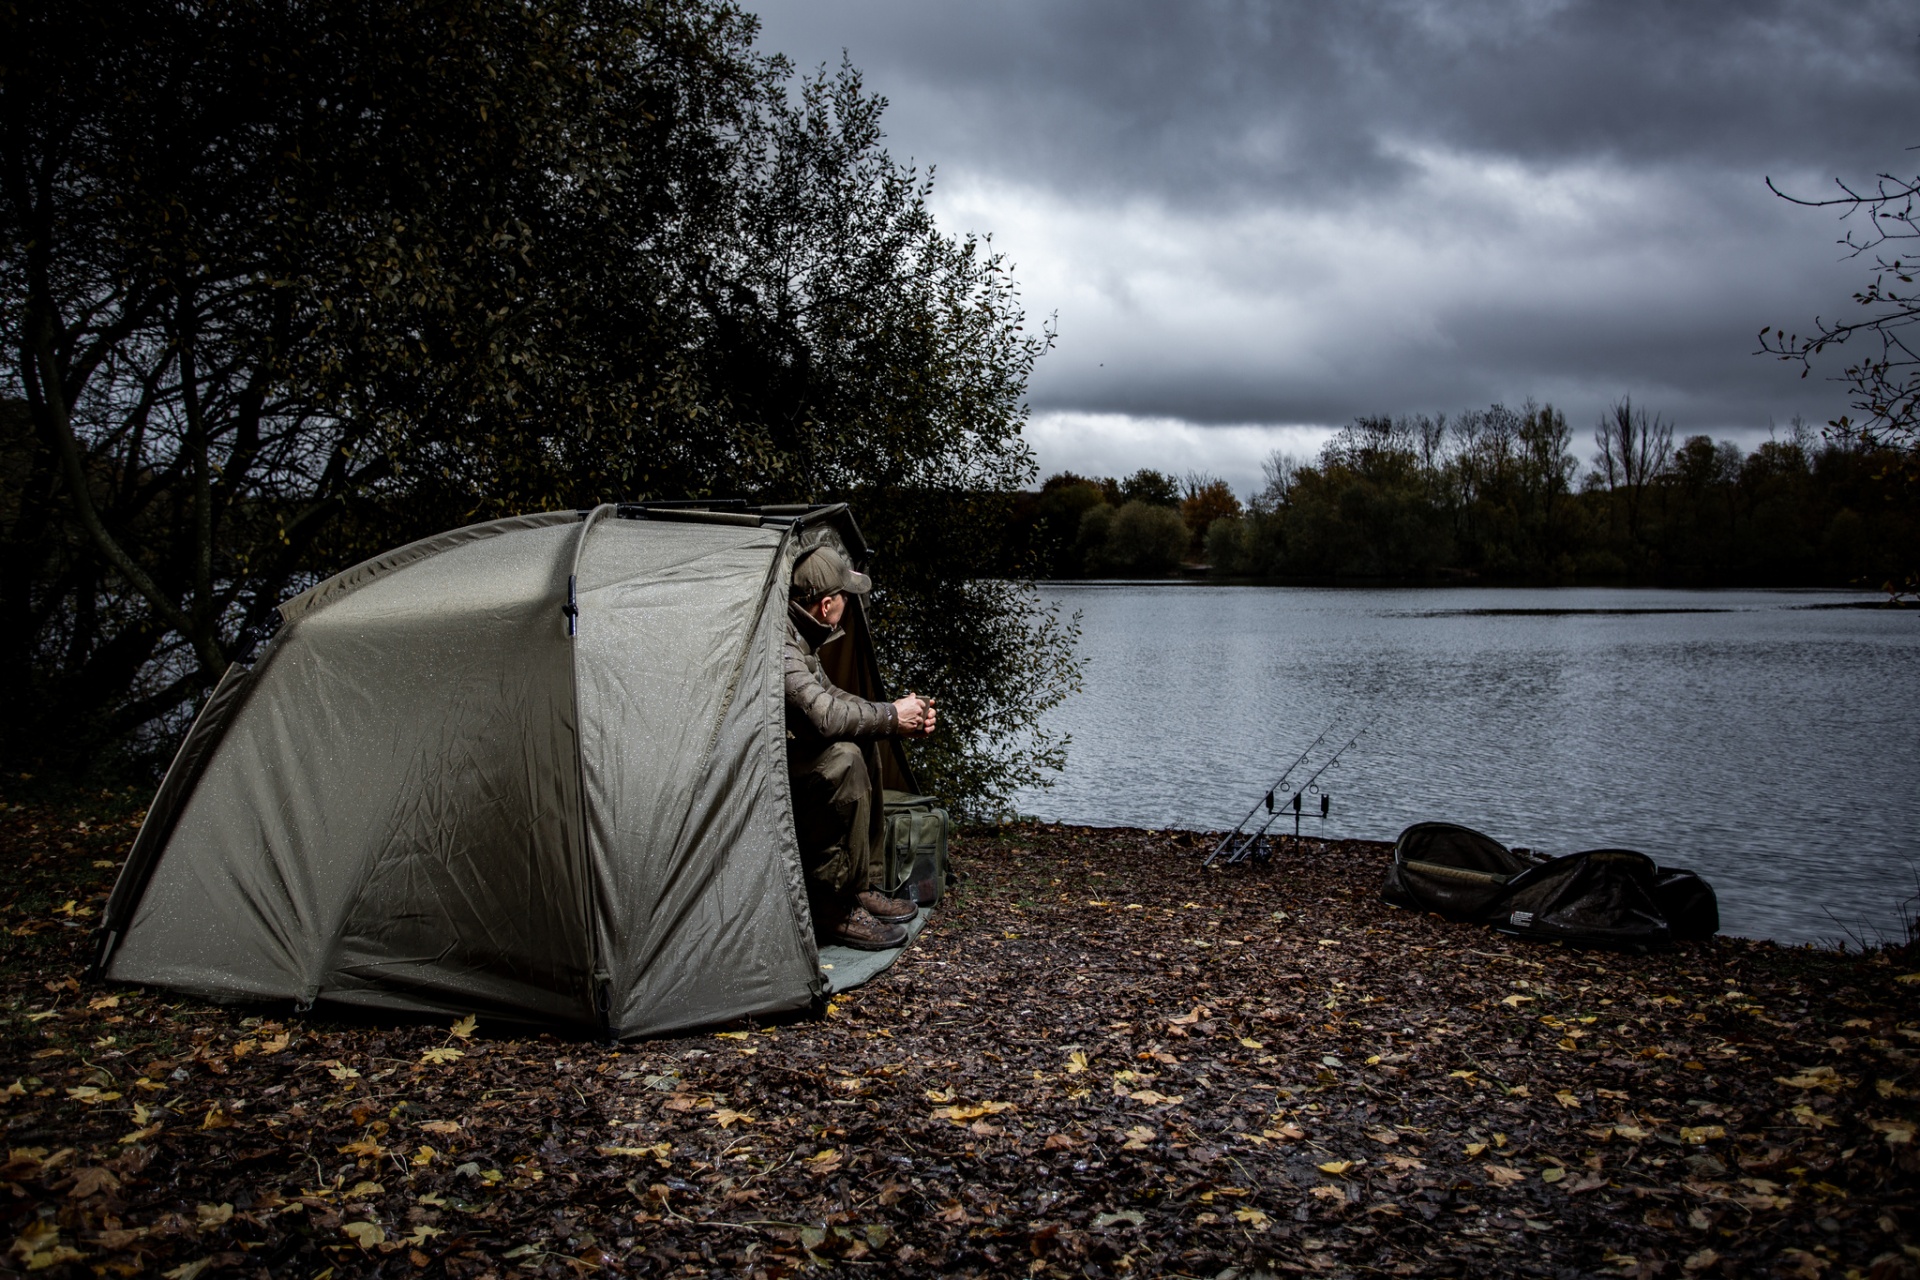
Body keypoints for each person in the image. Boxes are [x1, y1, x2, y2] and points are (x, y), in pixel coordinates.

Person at [784, 543, 937, 950]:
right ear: (827, 604)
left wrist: (898, 716)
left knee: (862, 741)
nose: (849, 606)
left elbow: (831, 694)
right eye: (846, 598)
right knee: (844, 758)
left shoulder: (802, 636)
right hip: (761, 774)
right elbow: (823, 715)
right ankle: (832, 907)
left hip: (785, 757)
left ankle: (859, 885)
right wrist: (890, 716)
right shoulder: (781, 645)